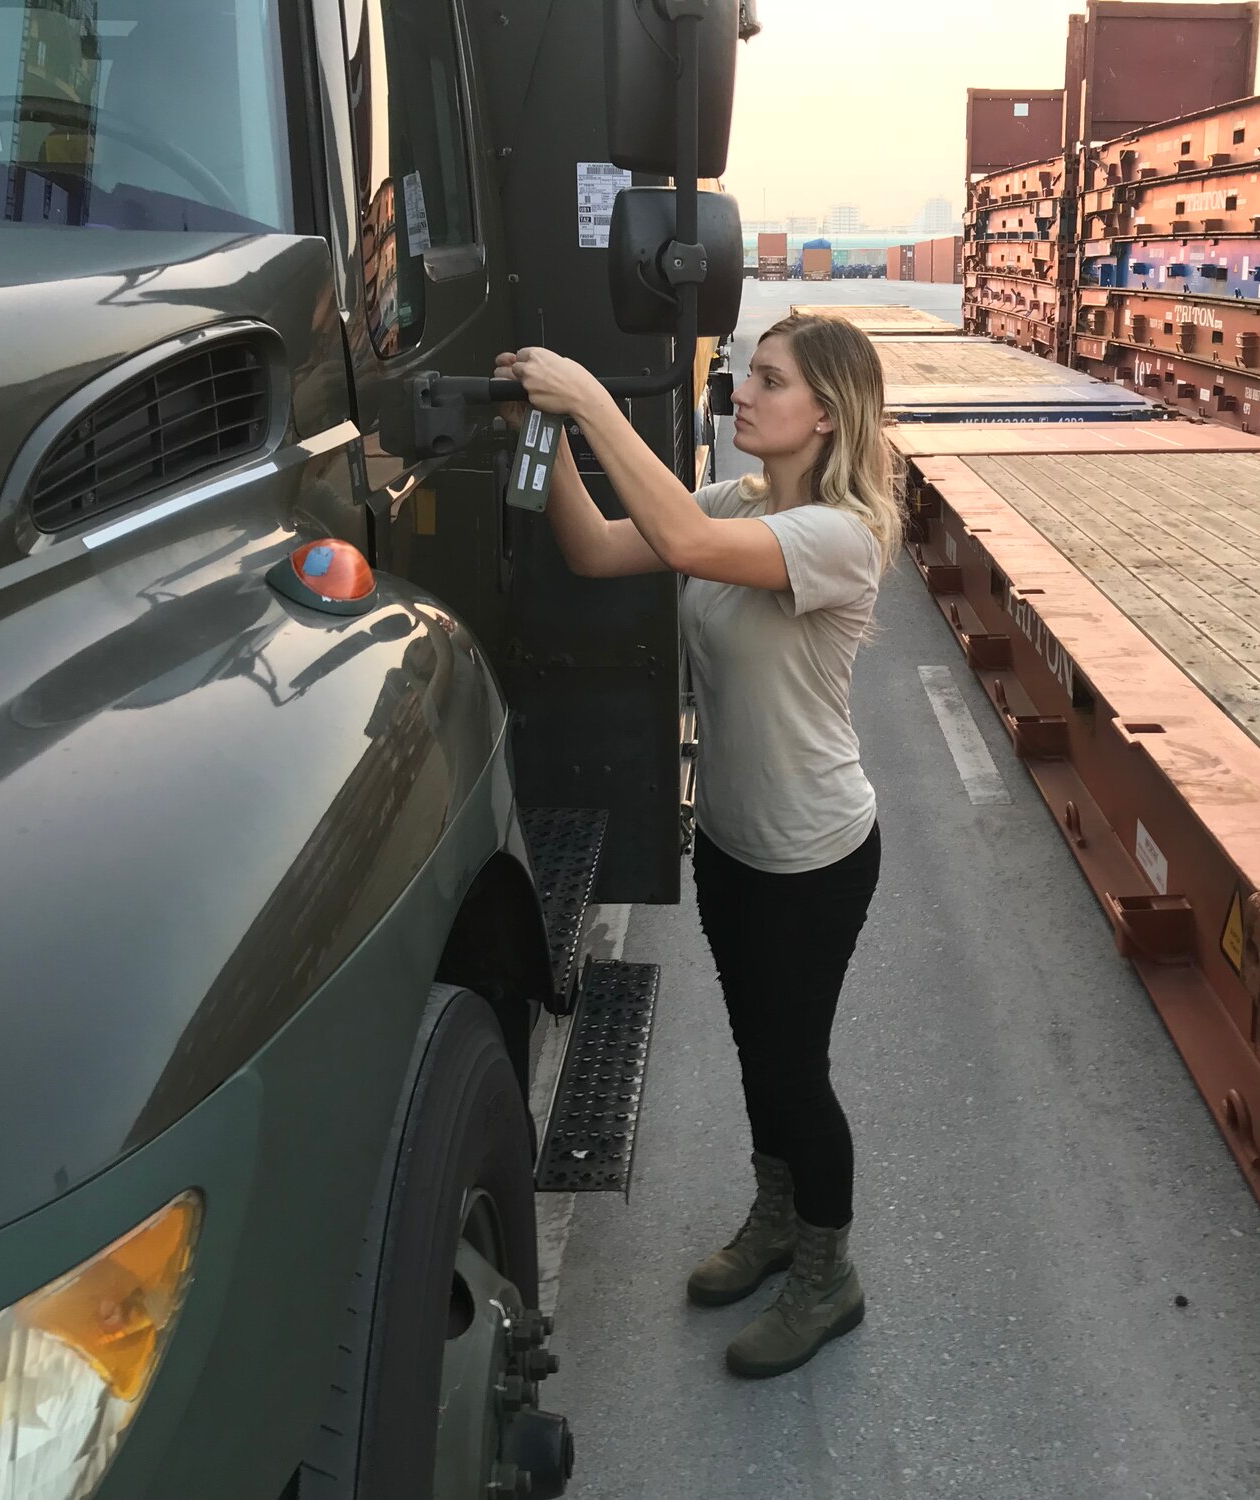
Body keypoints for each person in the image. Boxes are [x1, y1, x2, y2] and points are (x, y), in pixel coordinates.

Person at [498, 314, 903, 1378]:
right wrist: (538, 445)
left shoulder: (835, 535)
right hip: (728, 842)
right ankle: (777, 1222)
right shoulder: (739, 502)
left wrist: (585, 394)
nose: (745, 392)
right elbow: (596, 549)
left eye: (768, 381)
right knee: (755, 1057)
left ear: (824, 413)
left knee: (792, 1068)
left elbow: (677, 542)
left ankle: (829, 1275)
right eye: (746, 373)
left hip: (813, 855)